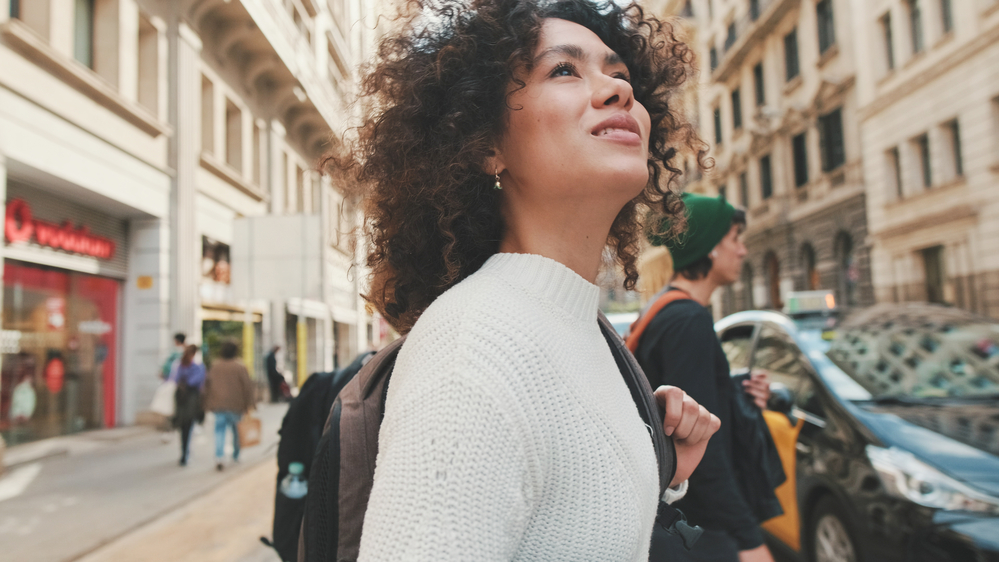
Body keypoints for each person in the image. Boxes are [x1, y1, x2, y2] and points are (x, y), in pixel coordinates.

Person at [321, 1, 721, 559]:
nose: (616, 91)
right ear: (486, 145)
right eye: (564, 69)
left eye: (620, 73)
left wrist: (661, 466)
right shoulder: (475, 349)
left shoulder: (578, 328)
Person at [630, 193, 777, 562]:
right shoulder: (687, 321)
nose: (742, 250)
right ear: (711, 248)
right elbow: (704, 445)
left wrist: (735, 392)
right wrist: (747, 540)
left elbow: (685, 403)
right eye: (735, 239)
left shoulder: (667, 310)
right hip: (701, 529)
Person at [203, 339, 255, 471]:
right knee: (237, 431)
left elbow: (207, 386)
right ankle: (236, 455)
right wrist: (250, 404)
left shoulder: (215, 366)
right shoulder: (240, 366)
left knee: (219, 431)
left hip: (218, 404)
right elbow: (247, 387)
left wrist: (206, 402)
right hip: (236, 405)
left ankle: (219, 456)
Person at [172, 344, 205, 466]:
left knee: (183, 427)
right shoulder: (198, 367)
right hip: (191, 399)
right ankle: (186, 453)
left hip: (180, 399)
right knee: (188, 426)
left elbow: (175, 380)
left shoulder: (180, 365)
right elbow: (199, 382)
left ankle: (184, 453)